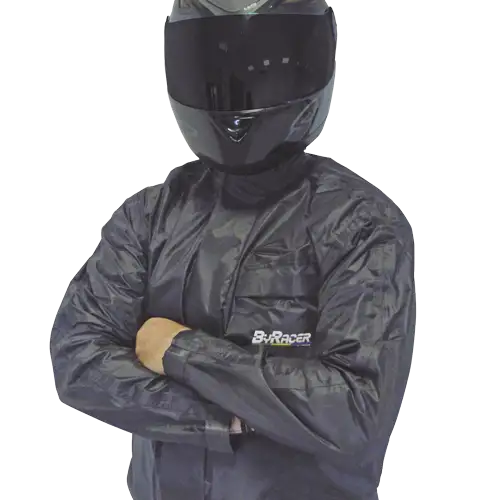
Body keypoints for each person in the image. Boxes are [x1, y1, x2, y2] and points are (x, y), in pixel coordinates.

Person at [50, 1, 416, 499]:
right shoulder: (151, 216)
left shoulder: (357, 225)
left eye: (264, 65)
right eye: (216, 62)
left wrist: (178, 350)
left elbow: (354, 411)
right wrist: (229, 418)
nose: (240, 86)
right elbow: (78, 360)